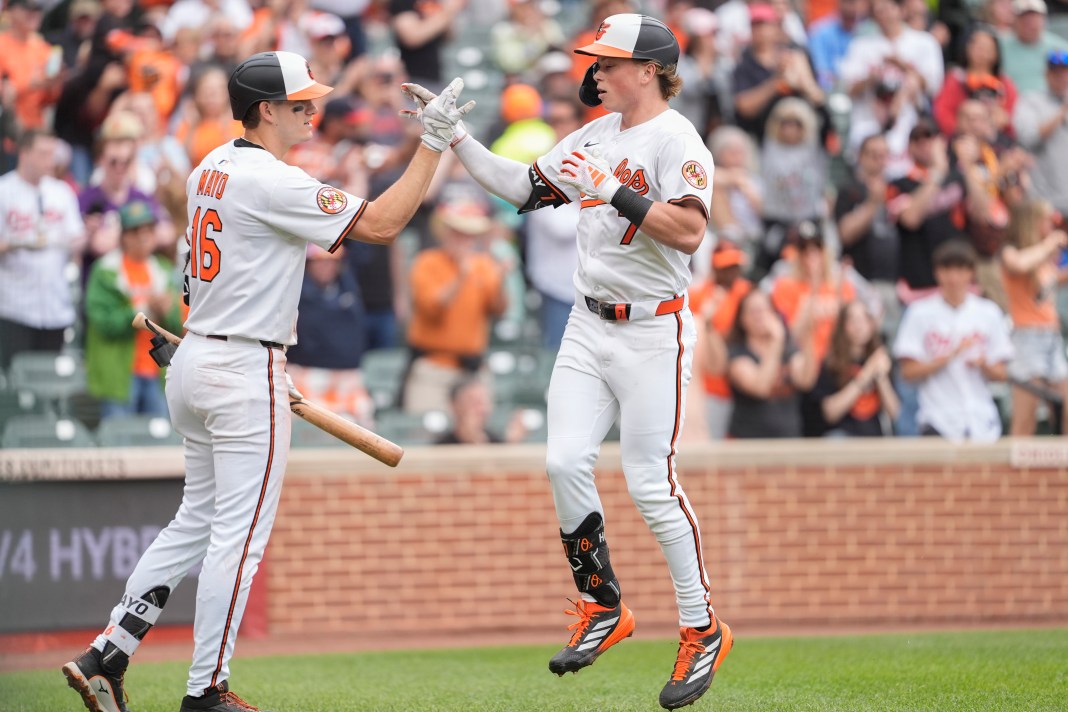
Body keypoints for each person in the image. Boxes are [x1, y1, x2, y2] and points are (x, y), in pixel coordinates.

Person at [62, 50, 469, 712]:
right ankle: (206, 693)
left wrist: (210, 343)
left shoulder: (207, 168)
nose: (313, 110)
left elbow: (204, 276)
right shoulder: (272, 180)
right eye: (299, 102)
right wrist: (432, 143)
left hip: (199, 355)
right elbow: (386, 223)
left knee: (195, 521)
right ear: (266, 110)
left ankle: (109, 650)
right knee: (238, 540)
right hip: (243, 365)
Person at [403, 14, 732, 709]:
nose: (597, 72)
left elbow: (690, 232)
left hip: (653, 329)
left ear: (648, 69)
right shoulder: (596, 134)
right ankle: (602, 605)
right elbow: (522, 187)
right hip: (589, 321)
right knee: (561, 461)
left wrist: (613, 189)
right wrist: (456, 138)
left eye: (611, 62)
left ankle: (701, 626)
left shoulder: (677, 138)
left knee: (649, 484)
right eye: (598, 61)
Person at [893, 239, 1014, 441]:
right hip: (937, 418)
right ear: (937, 272)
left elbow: (1002, 374)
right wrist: (946, 357)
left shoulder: (988, 312)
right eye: (947, 269)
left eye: (960, 269)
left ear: (971, 272)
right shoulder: (919, 313)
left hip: (981, 419)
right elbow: (907, 372)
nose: (953, 277)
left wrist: (984, 364)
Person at [401, 195, 508, 414]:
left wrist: (501, 280)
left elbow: (498, 310)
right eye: (460, 234)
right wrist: (460, 277)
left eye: (471, 236)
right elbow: (431, 309)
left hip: (472, 370)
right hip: (433, 368)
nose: (466, 241)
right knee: (426, 432)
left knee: (478, 435)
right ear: (446, 233)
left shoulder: (483, 265)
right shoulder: (426, 262)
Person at [84, 199, 181, 419]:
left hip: (159, 371)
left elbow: (179, 324)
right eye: (136, 230)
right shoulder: (105, 271)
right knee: (119, 442)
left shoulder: (164, 270)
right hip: (119, 372)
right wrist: (144, 310)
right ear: (124, 236)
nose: (144, 236)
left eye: (149, 229)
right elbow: (103, 322)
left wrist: (167, 310)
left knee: (158, 445)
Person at [0, 130, 84, 370]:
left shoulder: (62, 192)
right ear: (25, 154)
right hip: (14, 306)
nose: (51, 160)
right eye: (44, 153)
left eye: (52, 153)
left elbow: (76, 240)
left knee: (51, 379)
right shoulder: (4, 190)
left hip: (55, 306)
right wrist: (18, 242)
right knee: (15, 380)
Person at [999, 199, 1068, 434]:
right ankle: (1015, 472)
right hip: (1027, 337)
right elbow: (1018, 265)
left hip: (1052, 337)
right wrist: (1049, 244)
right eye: (1047, 220)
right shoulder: (1012, 251)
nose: (1052, 225)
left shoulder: (1044, 258)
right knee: (1025, 418)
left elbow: (1053, 282)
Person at [726, 287, 819, 437]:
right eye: (754, 311)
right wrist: (776, 341)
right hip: (748, 446)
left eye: (765, 310)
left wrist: (809, 336)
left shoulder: (788, 349)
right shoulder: (738, 353)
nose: (760, 316)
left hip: (788, 442)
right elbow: (760, 387)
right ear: (742, 319)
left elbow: (805, 380)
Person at [813, 300, 900, 436]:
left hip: (874, 436)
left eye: (864, 319)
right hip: (842, 436)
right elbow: (830, 413)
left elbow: (895, 413)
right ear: (843, 326)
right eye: (852, 320)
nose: (859, 326)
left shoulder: (882, 361)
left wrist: (881, 377)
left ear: (871, 324)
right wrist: (865, 375)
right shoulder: (831, 363)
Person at [1013, 49, 1068, 220]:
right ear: (1046, 74)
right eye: (1055, 72)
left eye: (1065, 72)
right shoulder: (1030, 101)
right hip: (1044, 202)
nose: (1061, 77)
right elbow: (1028, 138)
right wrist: (1061, 112)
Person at [435, 374, 525, 444]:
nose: (481, 409)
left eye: (484, 402)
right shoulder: (442, 446)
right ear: (454, 405)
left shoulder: (497, 443)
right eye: (474, 402)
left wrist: (512, 445)